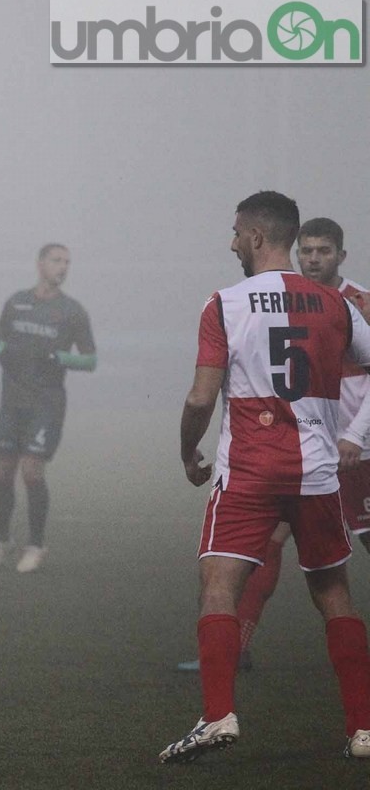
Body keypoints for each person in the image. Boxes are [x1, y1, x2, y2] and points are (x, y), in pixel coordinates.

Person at [161, 191, 370, 763]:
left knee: (219, 586)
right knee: (333, 593)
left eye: (235, 233)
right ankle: (363, 728)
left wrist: (187, 453)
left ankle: (217, 716)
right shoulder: (334, 304)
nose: (231, 242)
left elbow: (202, 395)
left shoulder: (224, 304)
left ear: (256, 237)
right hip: (318, 472)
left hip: (250, 472)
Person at [0, 244, 95, 572]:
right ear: (40, 264)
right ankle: (2, 541)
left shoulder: (72, 310)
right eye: (56, 261)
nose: (63, 267)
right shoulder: (16, 302)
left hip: (46, 403)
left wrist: (60, 358)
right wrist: (4, 353)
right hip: (12, 401)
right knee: (3, 470)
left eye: (67, 262)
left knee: (31, 469)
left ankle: (36, 544)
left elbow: (90, 359)